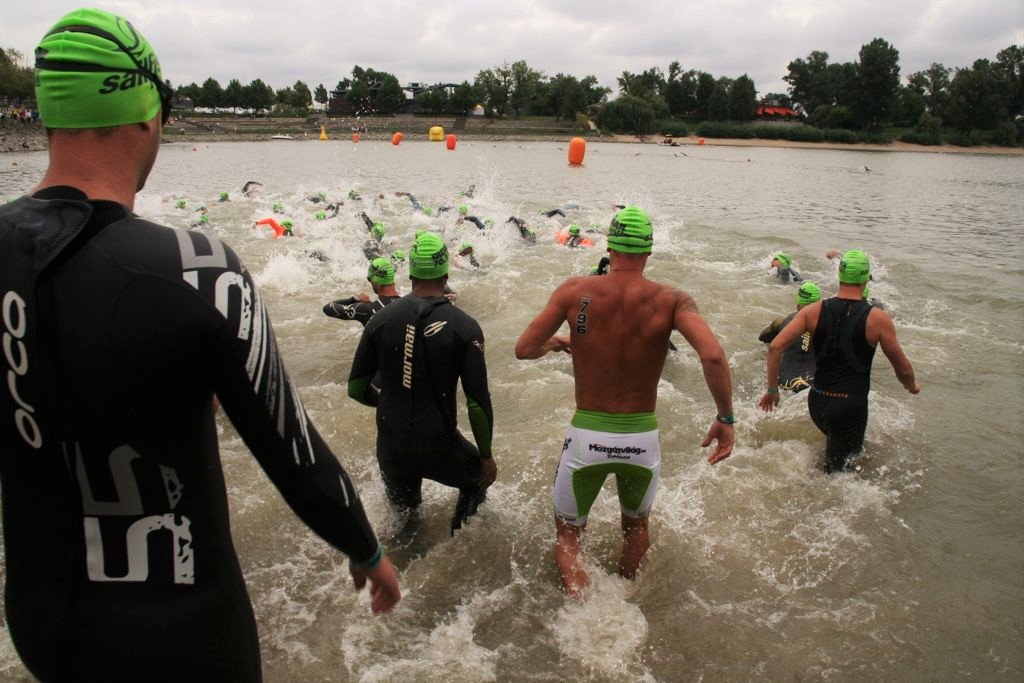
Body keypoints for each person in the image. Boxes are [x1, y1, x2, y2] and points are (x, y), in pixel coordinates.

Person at [0, 10, 400, 681]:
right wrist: (365, 549)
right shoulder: (196, 269)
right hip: (181, 629)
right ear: (148, 112)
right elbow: (292, 449)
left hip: (41, 623)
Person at [514, 206, 735, 599]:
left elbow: (524, 349)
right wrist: (725, 418)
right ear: (649, 251)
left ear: (609, 246)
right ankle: (624, 594)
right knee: (636, 528)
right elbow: (713, 356)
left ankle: (585, 614)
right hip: (641, 440)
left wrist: (562, 341)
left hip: (586, 439)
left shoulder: (573, 292)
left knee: (568, 535)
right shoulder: (673, 300)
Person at [348, 233, 496, 535]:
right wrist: (486, 455)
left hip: (392, 444)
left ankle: (404, 570)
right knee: (477, 480)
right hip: (439, 442)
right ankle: (457, 545)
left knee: (406, 525)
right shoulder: (465, 327)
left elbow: (355, 389)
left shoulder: (379, 320)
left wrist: (390, 400)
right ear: (446, 274)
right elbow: (477, 402)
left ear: (411, 272)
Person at [758, 250, 920, 473]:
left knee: (835, 454)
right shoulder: (878, 318)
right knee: (842, 474)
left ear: (840, 276)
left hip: (817, 402)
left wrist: (772, 389)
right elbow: (902, 367)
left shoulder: (813, 311)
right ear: (865, 278)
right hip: (849, 406)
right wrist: (911, 385)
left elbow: (775, 346)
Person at [758, 281, 821, 393]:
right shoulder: (829, 326)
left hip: (786, 383)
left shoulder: (782, 322)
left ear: (798, 305)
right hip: (814, 385)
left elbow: (763, 338)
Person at [323, 257, 401, 327]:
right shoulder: (409, 305)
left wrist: (354, 299)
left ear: (375, 280)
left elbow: (329, 308)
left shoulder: (367, 310)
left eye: (369, 279)